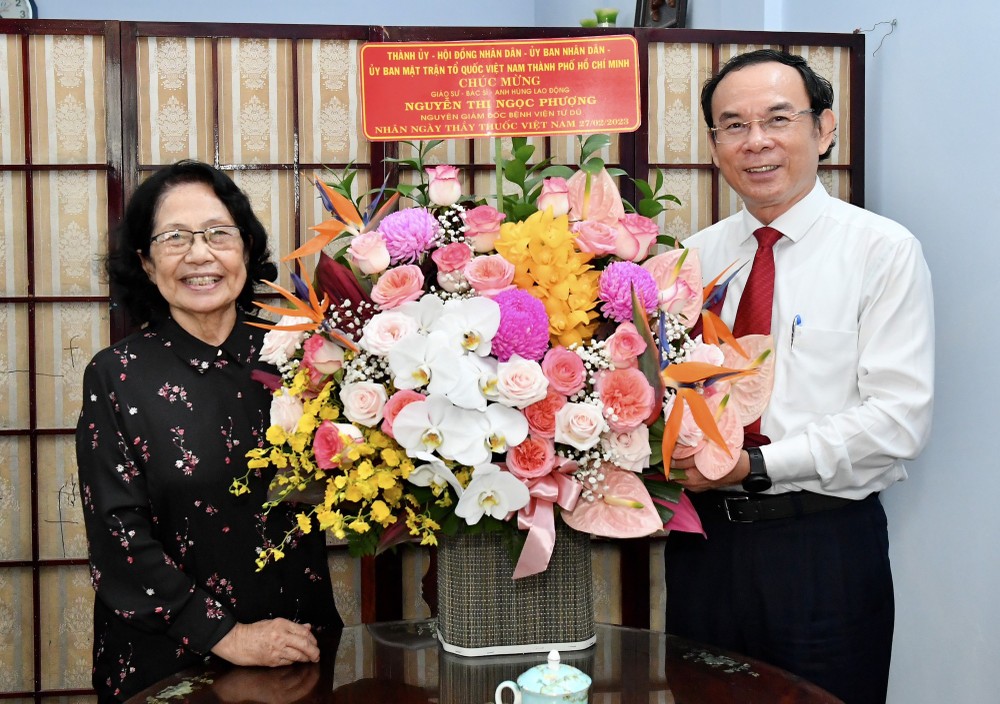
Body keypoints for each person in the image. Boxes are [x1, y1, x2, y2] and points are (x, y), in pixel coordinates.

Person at [665, 50, 934, 704]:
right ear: (714, 144)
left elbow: (899, 420)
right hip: (704, 548)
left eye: (778, 119)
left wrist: (754, 466)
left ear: (824, 129)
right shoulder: (693, 257)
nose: (756, 141)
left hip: (823, 549)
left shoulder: (881, 252)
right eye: (733, 125)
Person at [76, 160, 342, 703]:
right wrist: (229, 637)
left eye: (218, 234)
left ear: (245, 248)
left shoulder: (300, 356)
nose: (200, 254)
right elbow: (117, 535)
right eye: (174, 238)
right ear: (146, 263)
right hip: (169, 658)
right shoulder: (117, 375)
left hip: (296, 649)